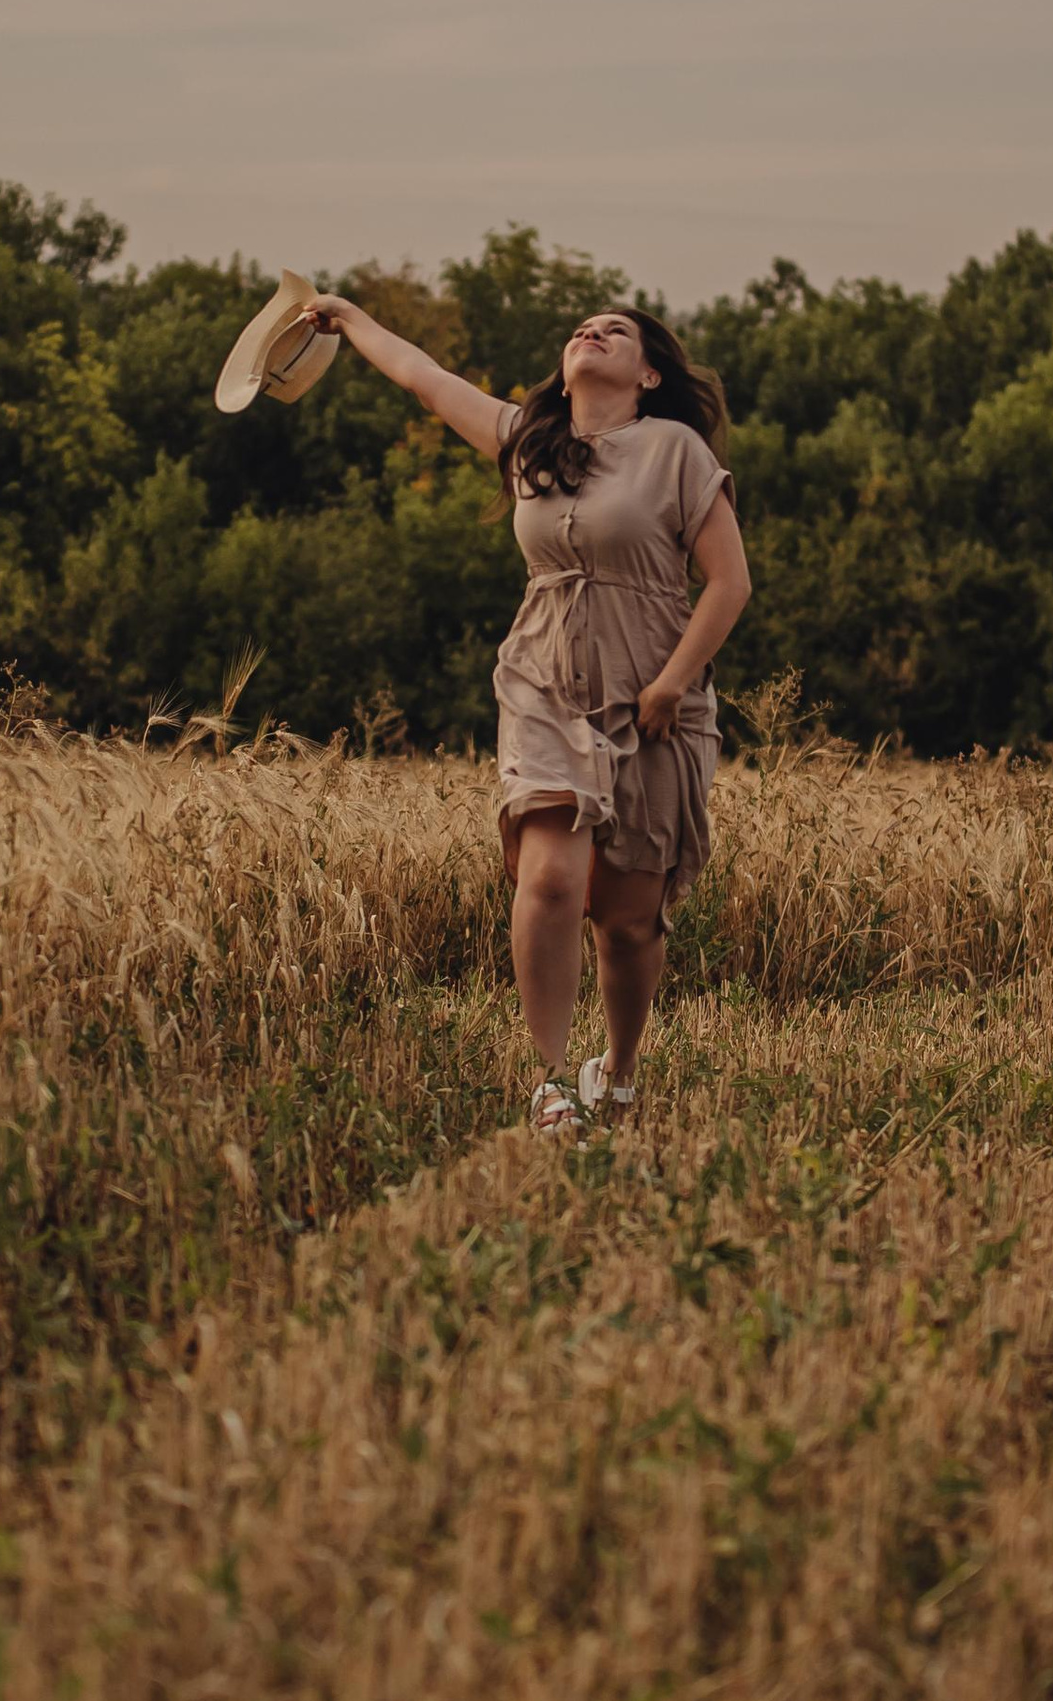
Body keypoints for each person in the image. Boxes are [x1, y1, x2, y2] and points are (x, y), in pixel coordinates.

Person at [296, 291, 751, 1131]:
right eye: (584, 327)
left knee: (627, 922)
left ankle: (616, 1070)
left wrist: (673, 684)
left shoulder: (676, 450)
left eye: (618, 331)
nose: (594, 331)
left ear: (648, 373)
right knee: (547, 880)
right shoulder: (530, 443)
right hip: (543, 681)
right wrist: (351, 319)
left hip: (652, 696)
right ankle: (548, 1085)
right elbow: (427, 381)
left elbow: (730, 583)